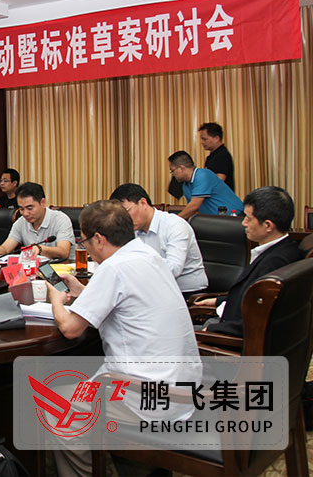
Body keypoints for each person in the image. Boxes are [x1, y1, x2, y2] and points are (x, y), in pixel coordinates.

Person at [46, 200, 199, 477]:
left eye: (85, 242)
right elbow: (129, 299)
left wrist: (56, 300)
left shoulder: (113, 268)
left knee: (56, 404)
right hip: (183, 388)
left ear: (99, 239)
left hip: (146, 396)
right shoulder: (149, 255)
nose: (86, 249)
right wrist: (84, 292)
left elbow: (70, 328)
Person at [195, 186, 303, 336]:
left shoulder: (274, 264)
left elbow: (258, 322)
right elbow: (250, 295)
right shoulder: (287, 248)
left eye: (248, 218)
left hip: (227, 335)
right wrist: (218, 301)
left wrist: (212, 330)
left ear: (268, 225)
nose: (243, 223)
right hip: (227, 319)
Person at [109, 183, 207, 294]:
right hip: (154, 290)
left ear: (143, 203)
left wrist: (137, 266)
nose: (124, 219)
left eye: (126, 212)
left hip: (187, 292)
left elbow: (174, 268)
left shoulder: (175, 225)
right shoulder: (133, 230)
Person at [0, 182, 73, 260]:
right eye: (21, 209)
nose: (25, 213)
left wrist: (40, 249)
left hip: (61, 271)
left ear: (43, 203)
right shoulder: (21, 222)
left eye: (30, 208)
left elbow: (64, 252)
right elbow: (5, 249)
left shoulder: (60, 219)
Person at [168, 151, 243, 219]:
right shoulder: (186, 185)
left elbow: (194, 206)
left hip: (235, 217)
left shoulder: (202, 175)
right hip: (217, 220)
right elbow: (192, 210)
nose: (173, 174)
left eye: (172, 171)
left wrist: (174, 221)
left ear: (181, 168)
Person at [199, 122, 234, 191]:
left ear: (217, 138)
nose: (202, 142)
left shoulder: (222, 155)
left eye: (204, 139)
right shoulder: (212, 156)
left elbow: (219, 180)